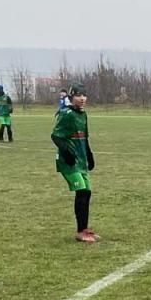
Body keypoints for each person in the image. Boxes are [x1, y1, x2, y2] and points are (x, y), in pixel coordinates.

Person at [51, 84, 98, 242]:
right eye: (78, 95)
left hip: (81, 160)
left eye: (84, 95)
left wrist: (89, 155)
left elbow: (85, 137)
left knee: (87, 192)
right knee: (82, 192)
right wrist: (67, 153)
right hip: (68, 162)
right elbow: (56, 136)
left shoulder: (83, 115)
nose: (82, 98)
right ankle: (80, 232)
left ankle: (84, 229)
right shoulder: (67, 114)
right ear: (71, 97)